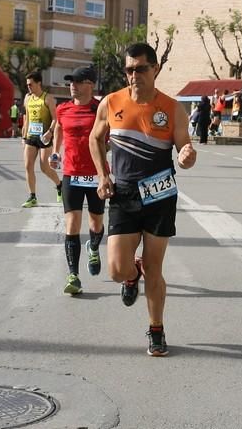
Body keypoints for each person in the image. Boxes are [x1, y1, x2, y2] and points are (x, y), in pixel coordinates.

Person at [89, 42, 197, 357]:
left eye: (140, 69)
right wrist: (102, 174)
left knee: (155, 266)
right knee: (116, 270)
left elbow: (184, 150)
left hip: (160, 193)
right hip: (123, 193)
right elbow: (95, 138)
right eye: (129, 69)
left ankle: (156, 329)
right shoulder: (111, 103)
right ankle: (131, 274)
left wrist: (188, 156)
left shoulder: (172, 107)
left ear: (155, 69)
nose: (134, 75)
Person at [51, 65, 107, 295]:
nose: (72, 85)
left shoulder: (100, 109)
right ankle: (73, 275)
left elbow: (111, 134)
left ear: (90, 84)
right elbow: (58, 130)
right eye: (70, 81)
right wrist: (56, 152)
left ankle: (93, 247)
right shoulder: (63, 109)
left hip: (96, 175)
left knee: (96, 223)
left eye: (77, 81)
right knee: (72, 225)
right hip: (71, 174)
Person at [21, 72, 62, 207]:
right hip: (31, 136)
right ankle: (32, 197)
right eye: (27, 85)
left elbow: (56, 118)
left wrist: (50, 132)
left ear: (39, 83)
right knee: (28, 166)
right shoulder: (27, 99)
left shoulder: (48, 98)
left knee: (44, 168)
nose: (28, 87)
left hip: (45, 137)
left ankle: (59, 185)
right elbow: (26, 119)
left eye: (30, 84)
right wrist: (23, 136)